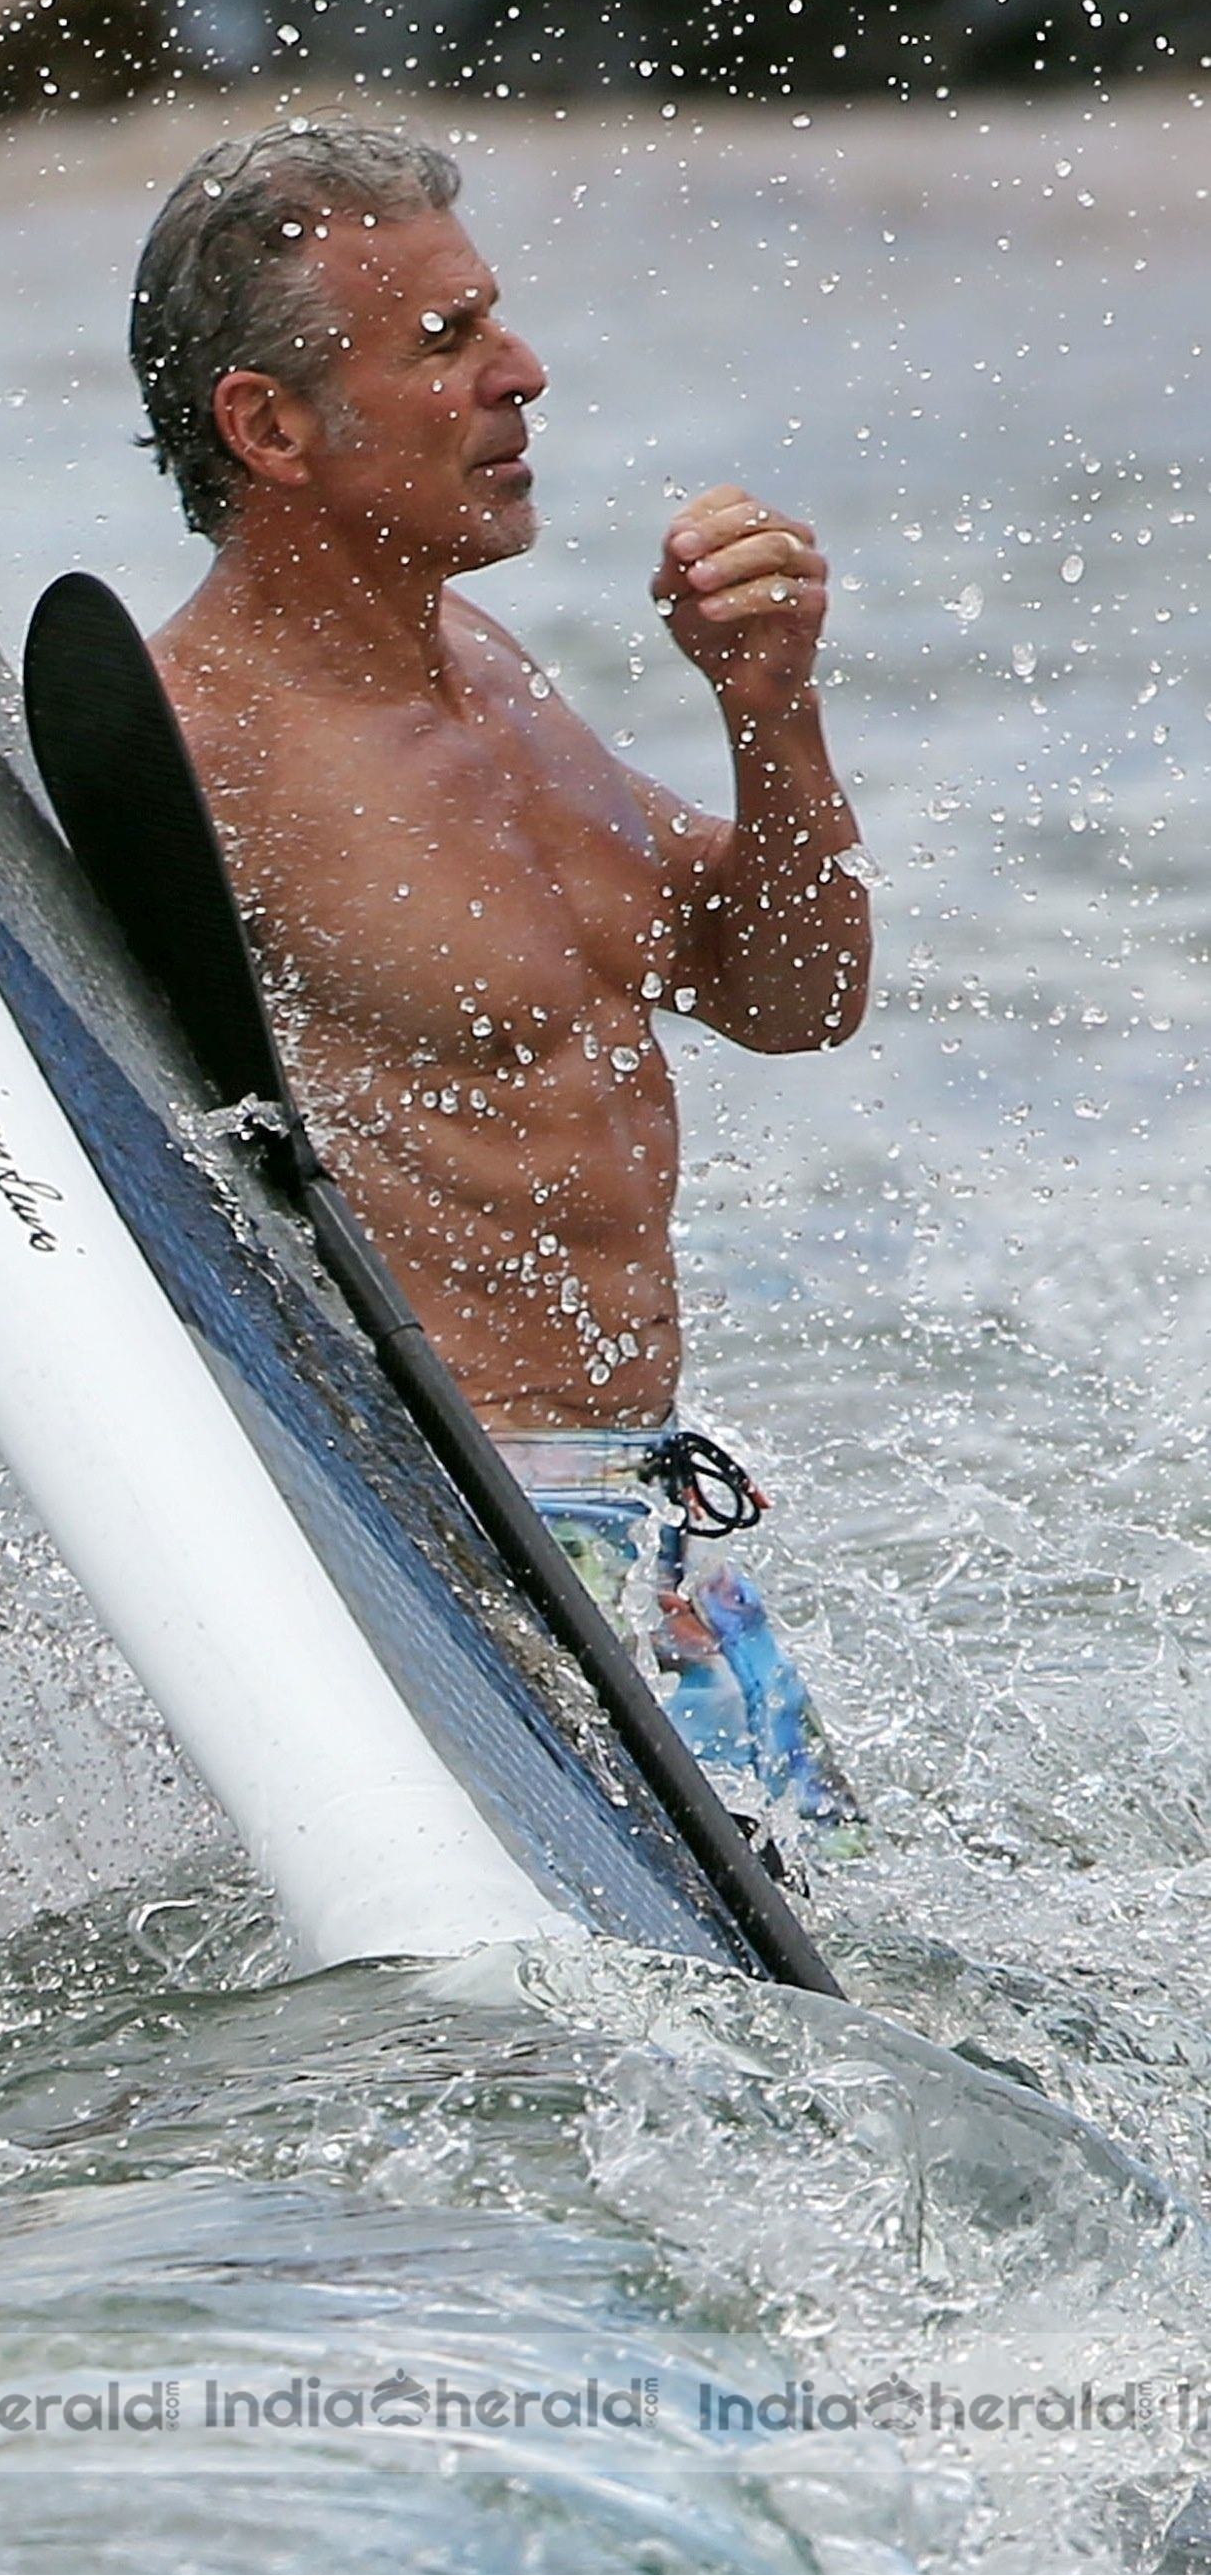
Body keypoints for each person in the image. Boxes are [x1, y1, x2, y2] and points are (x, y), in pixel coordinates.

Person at [130, 120, 870, 1847]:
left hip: (646, 1523)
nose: (519, 374)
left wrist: (770, 710)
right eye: (445, 343)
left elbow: (786, 996)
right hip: (464, 1541)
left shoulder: (482, 669)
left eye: (496, 321)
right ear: (268, 427)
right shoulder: (186, 750)